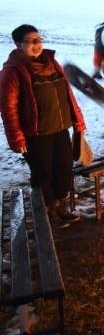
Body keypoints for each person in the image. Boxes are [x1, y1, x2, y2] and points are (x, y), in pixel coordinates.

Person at [0, 24, 86, 227]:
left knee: (64, 168)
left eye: (39, 40)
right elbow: (8, 108)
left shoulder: (52, 63)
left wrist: (78, 121)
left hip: (60, 128)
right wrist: (16, 138)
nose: (37, 44)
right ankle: (46, 213)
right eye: (31, 41)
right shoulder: (12, 71)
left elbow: (68, 95)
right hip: (36, 134)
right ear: (19, 45)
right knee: (43, 174)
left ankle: (61, 206)